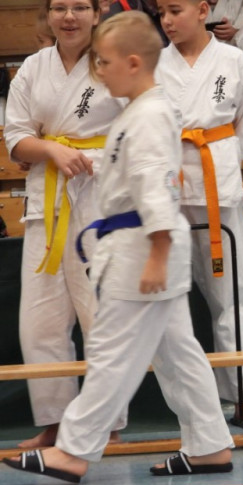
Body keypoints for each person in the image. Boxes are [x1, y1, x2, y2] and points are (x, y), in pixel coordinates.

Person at [2, 11, 235, 484]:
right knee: (177, 352)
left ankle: (73, 451)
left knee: (111, 351)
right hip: (142, 246)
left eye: (104, 62)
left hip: (143, 248)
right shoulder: (143, 110)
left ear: (132, 63)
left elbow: (157, 190)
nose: (99, 71)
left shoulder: (148, 115)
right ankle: (210, 445)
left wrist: (157, 256)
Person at [4, 0, 127, 449]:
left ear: (98, 13)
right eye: (59, 8)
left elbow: (139, 123)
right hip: (48, 201)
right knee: (40, 322)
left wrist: (95, 155)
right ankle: (55, 423)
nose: (69, 16)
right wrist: (51, 150)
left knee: (100, 315)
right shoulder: (34, 67)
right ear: (48, 15)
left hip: (102, 197)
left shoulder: (114, 60)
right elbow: (16, 137)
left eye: (79, 7)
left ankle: (107, 424)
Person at [157, 0, 243, 427]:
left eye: (175, 10)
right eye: (161, 12)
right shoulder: (154, 63)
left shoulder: (233, 59)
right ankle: (188, 408)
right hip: (167, 187)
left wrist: (231, 161)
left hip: (216, 184)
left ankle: (242, 399)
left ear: (203, 10)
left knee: (231, 300)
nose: (167, 20)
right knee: (167, 305)